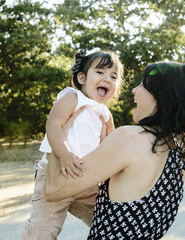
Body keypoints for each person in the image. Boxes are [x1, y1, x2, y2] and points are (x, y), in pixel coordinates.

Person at [45, 62, 185, 239]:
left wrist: (59, 134)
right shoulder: (176, 157)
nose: (134, 90)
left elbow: (54, 190)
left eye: (142, 85)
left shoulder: (130, 139)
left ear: (160, 96)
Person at [20, 50, 124, 239]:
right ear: (82, 77)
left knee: (109, 222)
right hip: (56, 173)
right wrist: (64, 153)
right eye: (100, 72)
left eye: (113, 76)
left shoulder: (106, 114)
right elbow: (53, 124)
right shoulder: (73, 98)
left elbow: (110, 146)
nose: (107, 79)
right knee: (41, 231)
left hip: (87, 179)